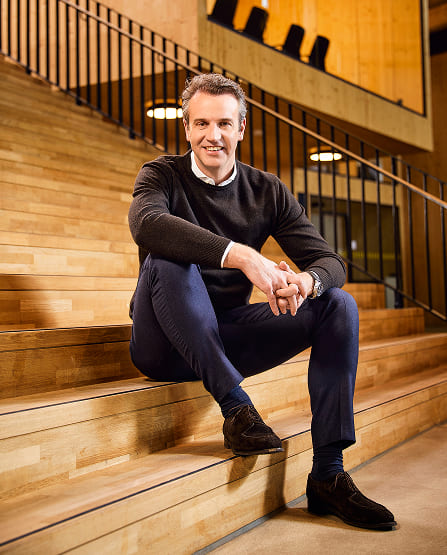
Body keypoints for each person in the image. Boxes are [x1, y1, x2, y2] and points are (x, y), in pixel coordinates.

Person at [128, 73, 396, 531]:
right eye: (201, 123)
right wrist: (243, 256)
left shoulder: (266, 189)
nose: (212, 135)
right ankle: (236, 408)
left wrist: (306, 282)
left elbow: (330, 262)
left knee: (338, 305)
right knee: (167, 257)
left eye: (224, 124)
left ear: (241, 128)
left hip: (224, 335)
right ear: (187, 128)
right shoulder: (161, 174)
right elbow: (146, 224)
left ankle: (328, 474)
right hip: (162, 345)